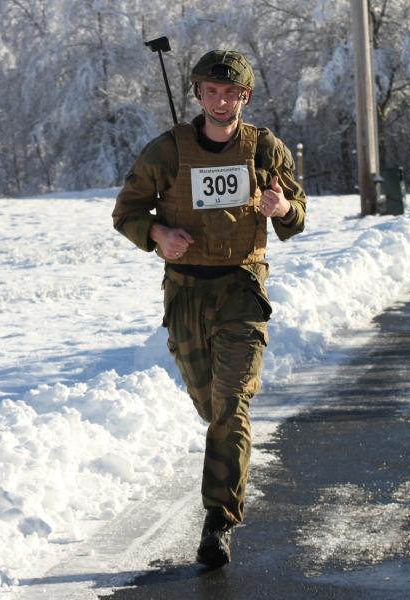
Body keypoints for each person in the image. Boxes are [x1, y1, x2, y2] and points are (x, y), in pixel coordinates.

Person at [112, 49, 306, 568]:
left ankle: (219, 519)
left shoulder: (265, 149)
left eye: (231, 93)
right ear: (199, 95)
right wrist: (157, 233)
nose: (221, 101)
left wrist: (281, 207)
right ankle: (225, 475)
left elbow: (296, 218)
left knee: (231, 405)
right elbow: (125, 211)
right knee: (210, 407)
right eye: (211, 92)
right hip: (186, 294)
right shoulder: (167, 151)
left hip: (242, 289)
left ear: (245, 96)